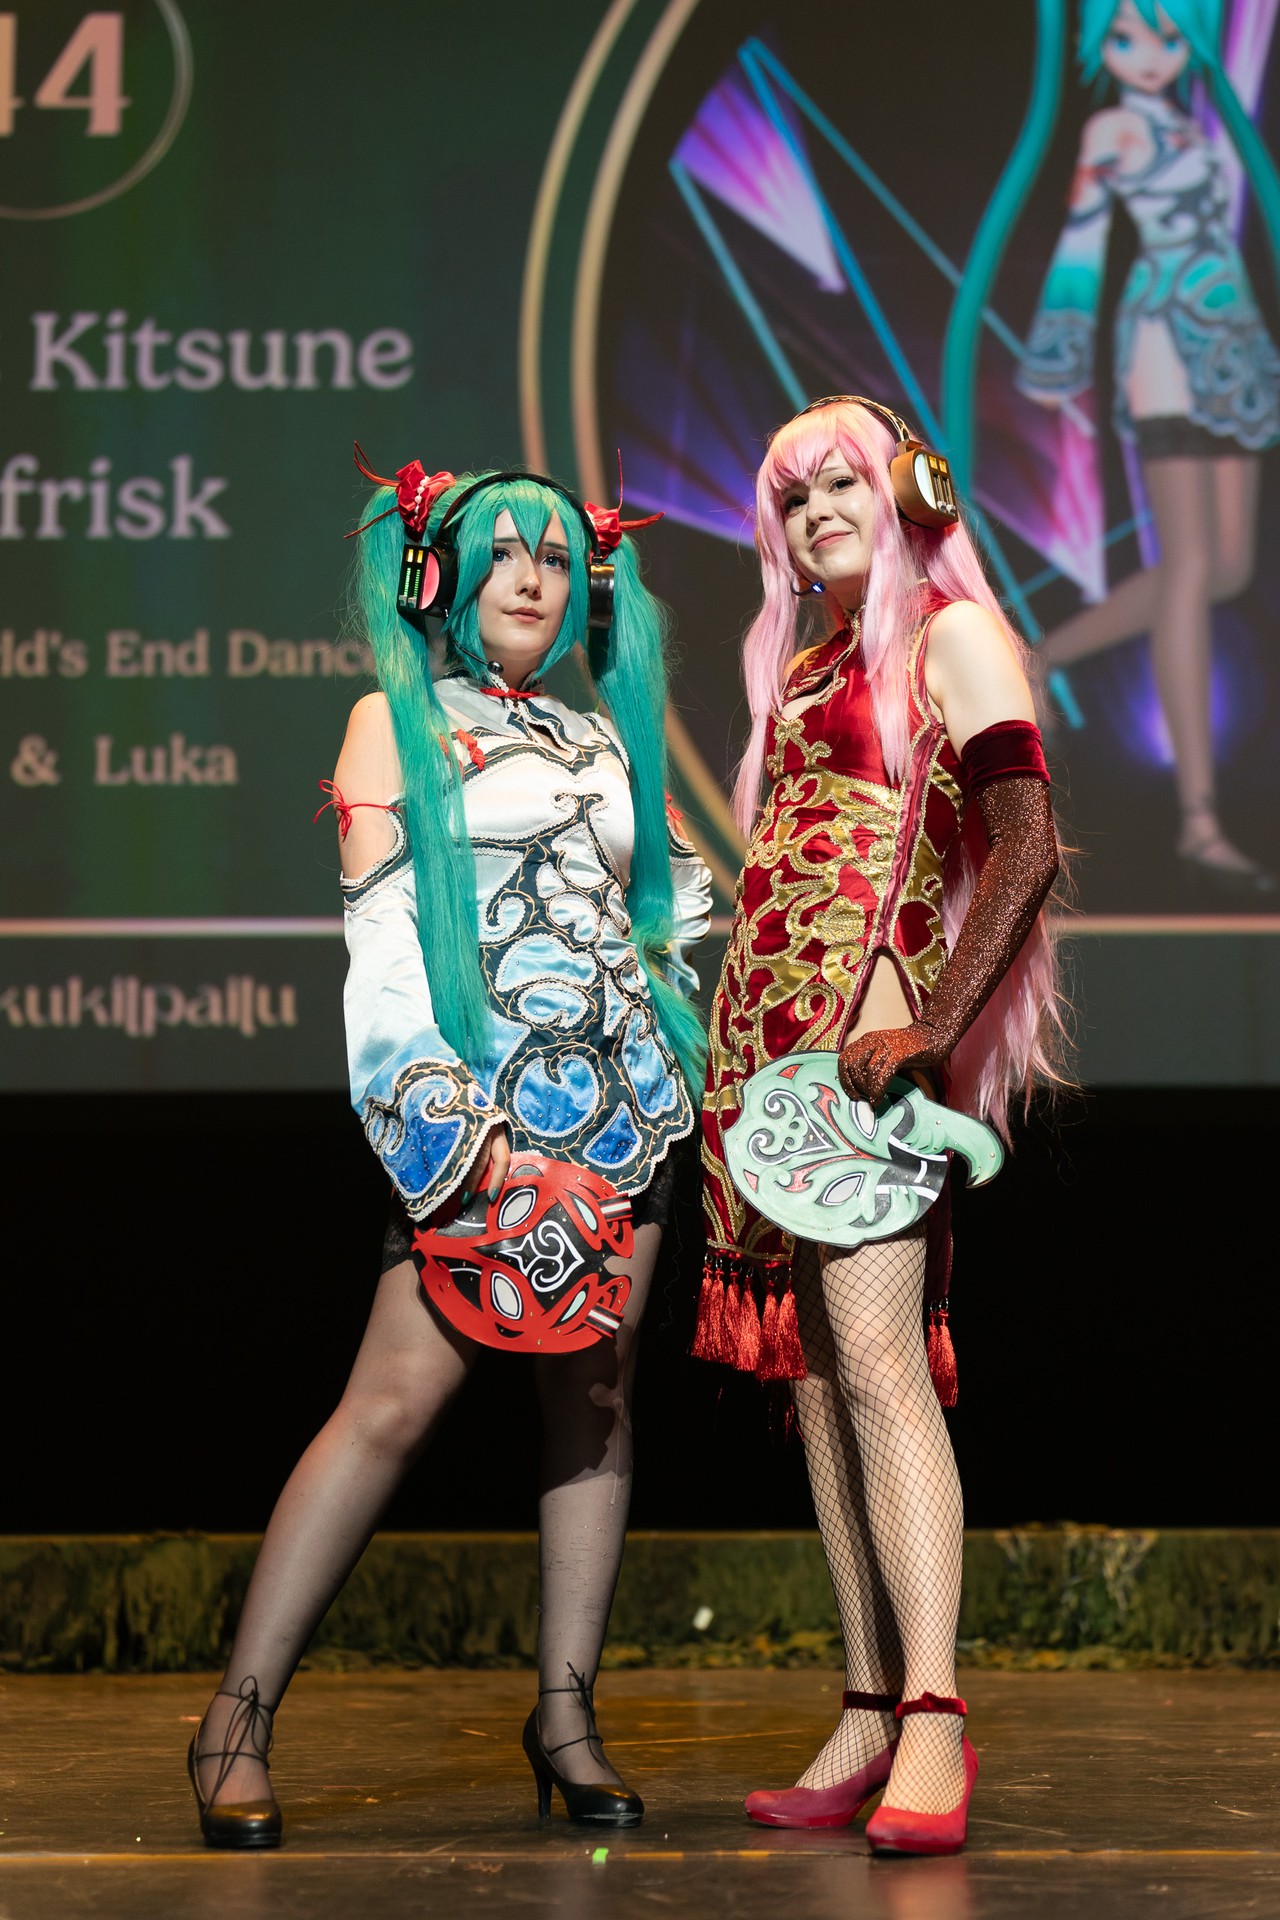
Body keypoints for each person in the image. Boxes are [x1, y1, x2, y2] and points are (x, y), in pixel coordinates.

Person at [187, 459, 710, 1848]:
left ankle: (566, 1718)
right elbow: (379, 946)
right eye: (504, 553)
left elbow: (668, 906)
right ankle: (234, 1719)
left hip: (627, 1116)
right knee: (390, 1405)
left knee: (595, 1399)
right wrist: (448, 1129)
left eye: (557, 558)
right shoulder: (392, 721)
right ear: (445, 576)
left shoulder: (602, 739)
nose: (533, 578)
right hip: (474, 1119)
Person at [697, 397, 1068, 1856]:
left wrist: (933, 1026)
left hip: (870, 1063)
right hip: (769, 1067)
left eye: (841, 483)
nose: (815, 516)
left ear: (909, 489)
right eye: (792, 499)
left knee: (879, 1363)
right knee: (815, 1377)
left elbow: (1024, 848)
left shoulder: (952, 639)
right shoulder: (806, 664)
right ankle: (864, 1705)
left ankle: (931, 1715)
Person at [1018, 0, 1280, 892]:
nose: (1150, 52)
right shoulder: (1113, 130)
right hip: (1167, 338)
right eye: (1128, 37)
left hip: (1229, 339)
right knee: (1194, 568)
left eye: (1168, 36)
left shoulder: (1189, 123)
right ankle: (1199, 820)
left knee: (1226, 568)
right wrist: (1058, 353)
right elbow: (1084, 239)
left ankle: (1042, 654)